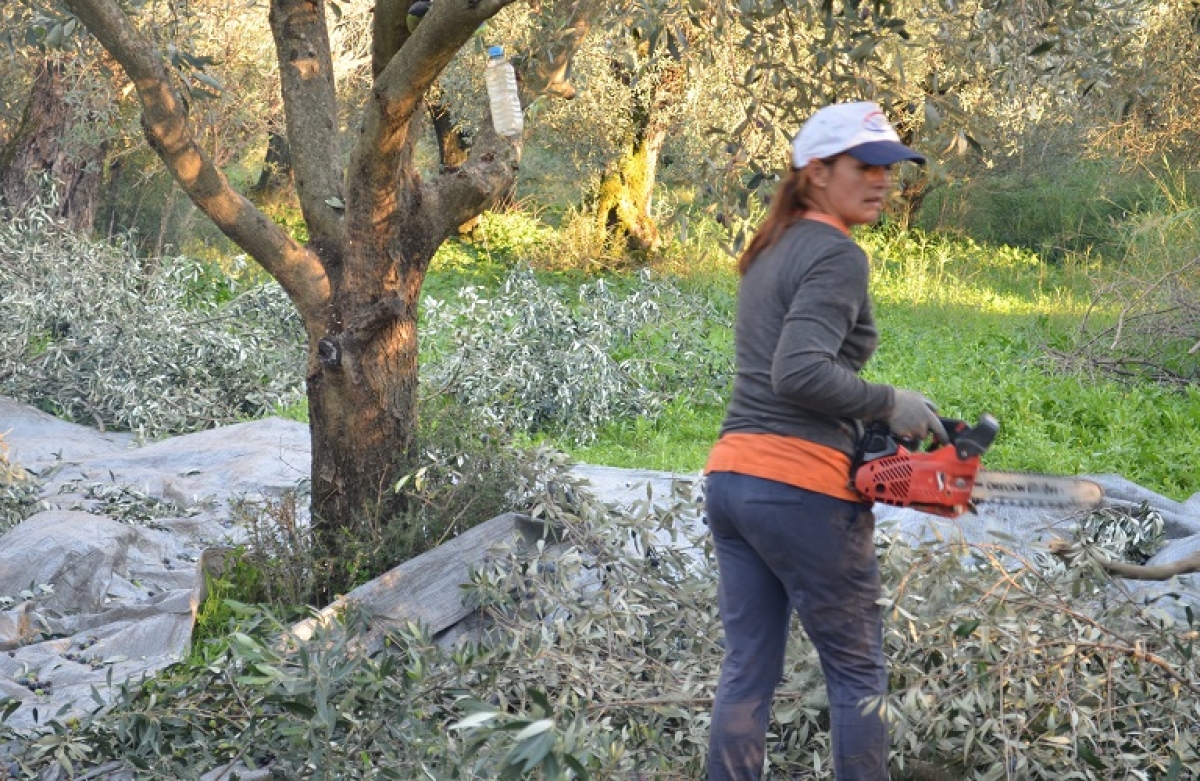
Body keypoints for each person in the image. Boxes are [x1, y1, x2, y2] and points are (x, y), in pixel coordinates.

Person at [703, 101, 946, 781]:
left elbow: (785, 373)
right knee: (858, 669)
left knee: (748, 669)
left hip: (731, 481)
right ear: (816, 172)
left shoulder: (770, 249)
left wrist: (865, 428)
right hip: (797, 488)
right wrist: (890, 403)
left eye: (888, 169)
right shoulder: (838, 255)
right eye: (864, 166)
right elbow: (800, 370)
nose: (881, 181)